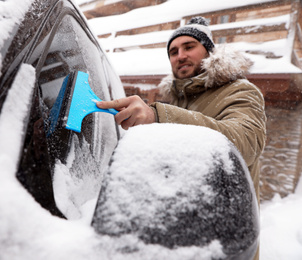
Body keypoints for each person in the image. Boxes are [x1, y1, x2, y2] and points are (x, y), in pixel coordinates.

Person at [97, 16, 266, 260]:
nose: (180, 56)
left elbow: (246, 142)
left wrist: (158, 115)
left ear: (209, 51)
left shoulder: (240, 91)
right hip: (177, 234)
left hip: (224, 242)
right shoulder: (176, 99)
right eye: (173, 51)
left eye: (189, 47)